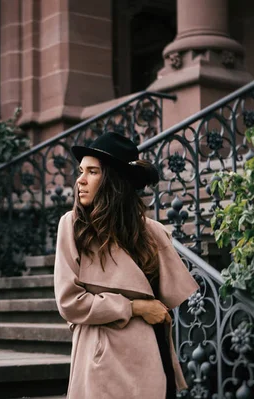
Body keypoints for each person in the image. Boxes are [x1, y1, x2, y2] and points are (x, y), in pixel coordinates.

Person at [53, 132, 199, 399]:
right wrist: (134, 306)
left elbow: (169, 299)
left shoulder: (151, 232)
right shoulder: (73, 226)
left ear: (114, 181)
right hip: (102, 358)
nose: (80, 181)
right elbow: (69, 302)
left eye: (92, 172)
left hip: (151, 354)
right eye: (81, 171)